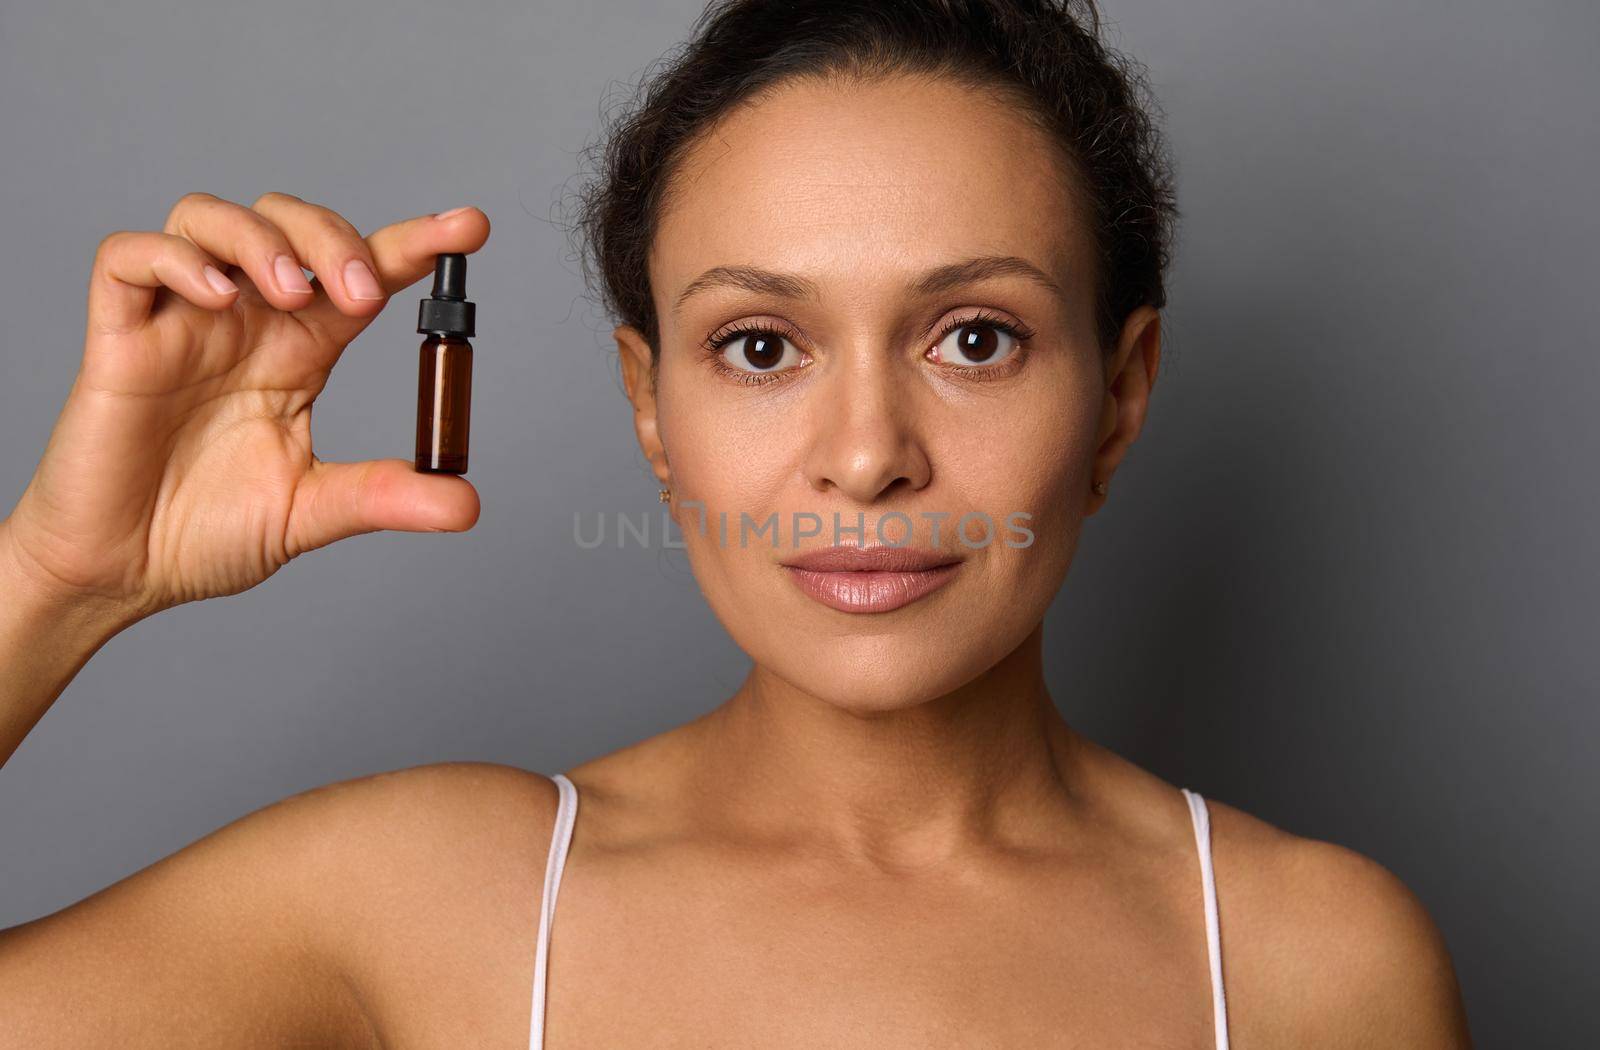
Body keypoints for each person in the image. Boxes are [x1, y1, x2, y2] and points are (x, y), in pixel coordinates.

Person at [0, 0, 1473, 1046]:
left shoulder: (1316, 965)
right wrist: (60, 577)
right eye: (762, 345)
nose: (865, 457)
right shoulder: (427, 899)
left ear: (1122, 393)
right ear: (651, 404)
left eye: (973, 337)